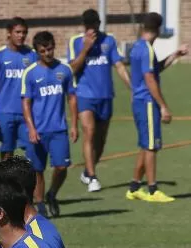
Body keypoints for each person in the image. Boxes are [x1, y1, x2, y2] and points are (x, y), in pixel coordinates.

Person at [125, 13, 188, 203]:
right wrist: (163, 107)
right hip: (147, 102)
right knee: (152, 146)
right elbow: (150, 79)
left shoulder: (138, 47)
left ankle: (134, 187)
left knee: (146, 145)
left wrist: (175, 54)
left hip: (138, 101)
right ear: (159, 30)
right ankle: (153, 190)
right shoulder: (146, 50)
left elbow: (155, 69)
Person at [68, 8, 130, 192]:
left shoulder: (109, 41)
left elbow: (118, 65)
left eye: (95, 24)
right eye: (88, 25)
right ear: (84, 26)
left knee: (101, 140)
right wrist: (85, 49)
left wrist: (131, 86)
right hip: (85, 95)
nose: (92, 29)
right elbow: (72, 68)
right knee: (89, 132)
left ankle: (87, 172)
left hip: (105, 96)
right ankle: (93, 177)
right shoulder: (76, 42)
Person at [22, 31, 77, 219]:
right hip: (38, 130)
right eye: (43, 50)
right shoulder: (30, 73)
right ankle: (40, 204)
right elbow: (26, 102)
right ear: (37, 51)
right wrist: (31, 127)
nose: (48, 53)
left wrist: (74, 124)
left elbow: (72, 98)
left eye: (50, 48)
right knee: (37, 170)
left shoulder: (65, 70)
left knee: (61, 167)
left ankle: (52, 194)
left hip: (59, 129)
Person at [0, 18, 36, 161]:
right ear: (9, 33)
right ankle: (5, 183)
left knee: (33, 152)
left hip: (27, 114)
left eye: (24, 32)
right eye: (17, 32)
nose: (21, 36)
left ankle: (28, 183)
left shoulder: (32, 55)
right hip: (4, 113)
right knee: (7, 155)